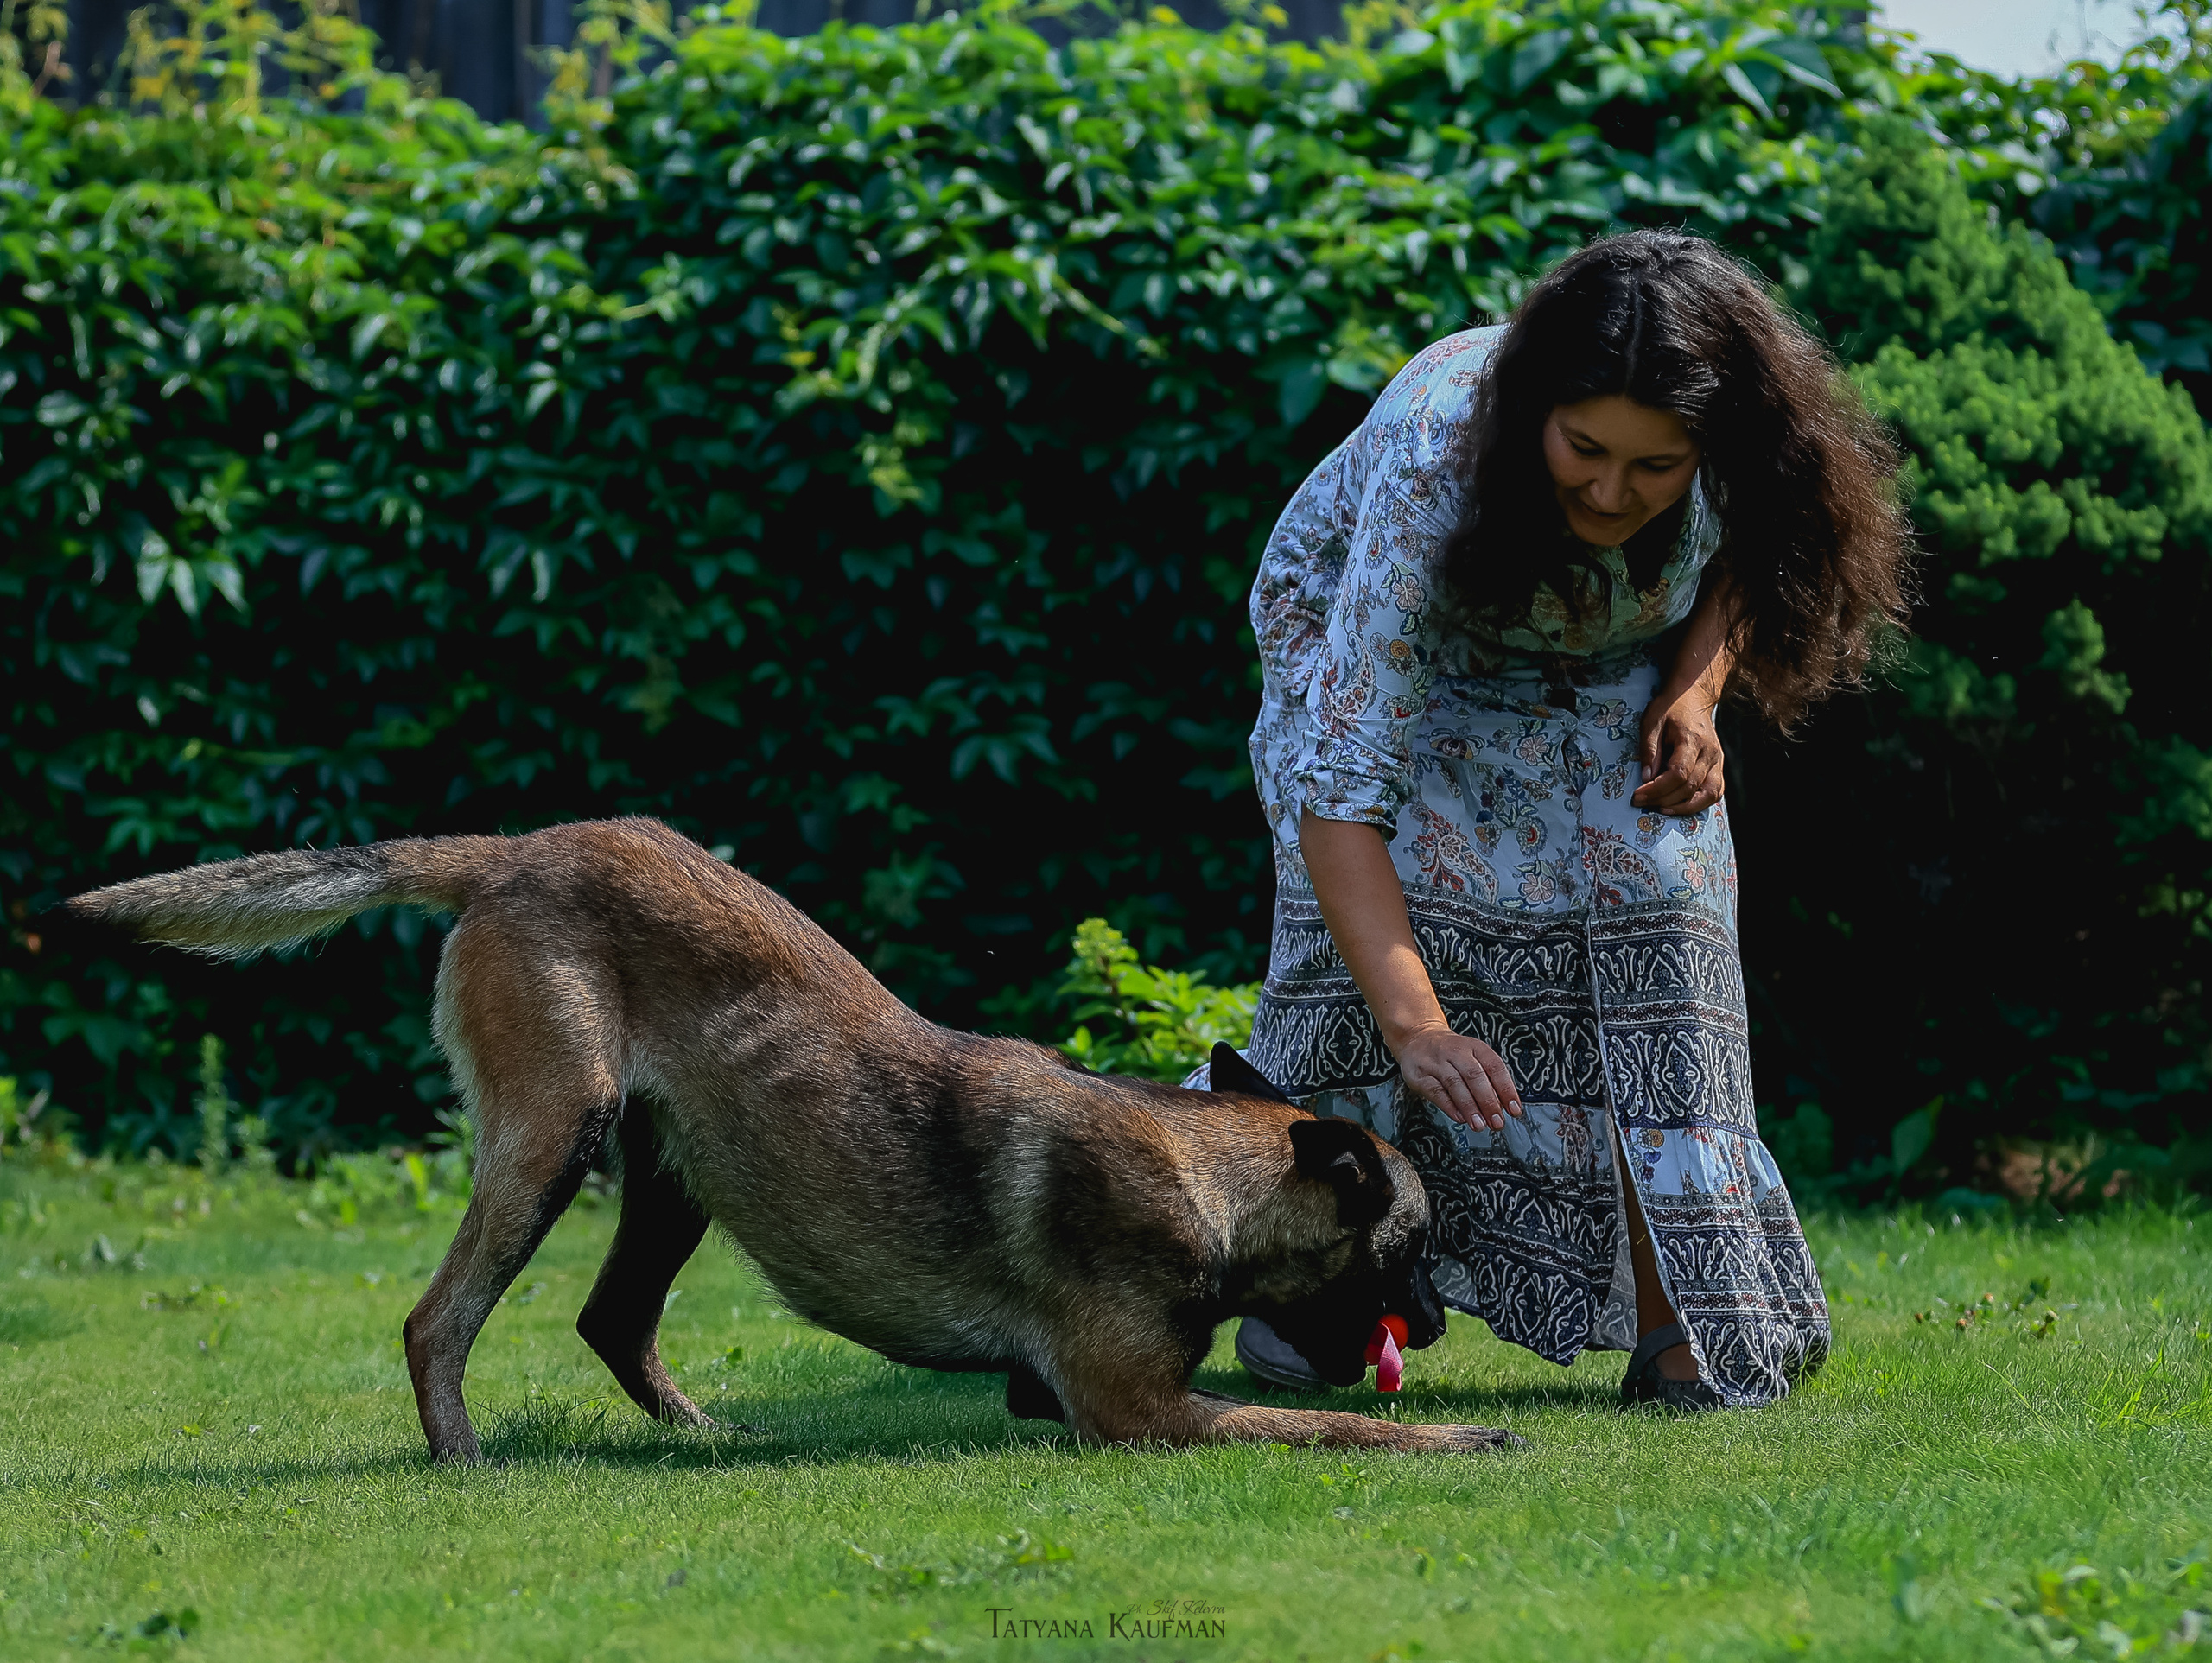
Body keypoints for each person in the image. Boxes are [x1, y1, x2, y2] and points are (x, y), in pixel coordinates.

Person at [1212, 230, 1910, 1410]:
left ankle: (1681, 1329)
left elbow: (1751, 548)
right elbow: (1344, 785)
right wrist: (1419, 1024)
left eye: (1654, 468)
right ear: (1536, 406)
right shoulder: (1439, 462)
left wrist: (1693, 693)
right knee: (1366, 962)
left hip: (1601, 658)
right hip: (1383, 663)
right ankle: (1318, 1302)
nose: (1608, 490)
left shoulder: (1740, 443)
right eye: (1583, 449)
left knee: (1664, 916)